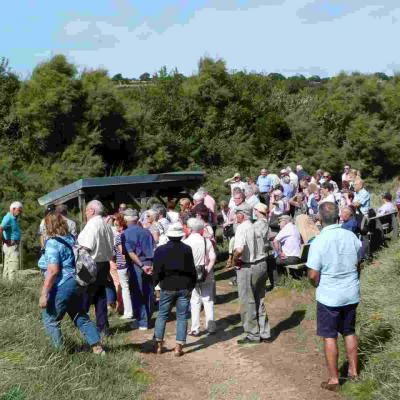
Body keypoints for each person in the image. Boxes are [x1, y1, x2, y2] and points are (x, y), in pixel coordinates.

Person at [307, 202, 361, 392]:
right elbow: (358, 261)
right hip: (350, 292)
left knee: (329, 336)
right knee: (349, 331)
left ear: (320, 219)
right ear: (338, 216)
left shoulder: (319, 241)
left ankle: (333, 379)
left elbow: (313, 274)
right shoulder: (351, 236)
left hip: (329, 295)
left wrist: (315, 284)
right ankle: (354, 372)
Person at [39, 212, 104, 354]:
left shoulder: (52, 242)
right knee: (79, 315)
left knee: (51, 319)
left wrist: (44, 294)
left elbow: (53, 270)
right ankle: (97, 348)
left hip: (62, 284)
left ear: (48, 226)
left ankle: (58, 354)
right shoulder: (70, 238)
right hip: (76, 282)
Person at [153, 222, 197, 356]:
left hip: (167, 286)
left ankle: (159, 345)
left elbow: (157, 271)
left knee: (162, 315)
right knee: (182, 317)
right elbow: (192, 270)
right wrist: (192, 285)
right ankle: (178, 347)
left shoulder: (160, 250)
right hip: (184, 286)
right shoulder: (187, 249)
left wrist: (155, 284)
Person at [232, 204, 271, 344]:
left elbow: (239, 249)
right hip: (262, 264)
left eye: (236, 213)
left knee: (247, 302)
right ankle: (265, 333)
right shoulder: (257, 225)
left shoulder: (242, 228)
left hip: (248, 267)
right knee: (259, 299)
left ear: (241, 215)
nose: (235, 216)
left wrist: (234, 260)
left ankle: (252, 335)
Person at [78, 200, 114, 336]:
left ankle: (84, 328)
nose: (85, 213)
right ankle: (103, 327)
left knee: (84, 295)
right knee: (100, 296)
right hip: (104, 263)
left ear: (91, 211)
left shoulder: (92, 224)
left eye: (86, 210)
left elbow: (86, 246)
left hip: (90, 263)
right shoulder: (106, 225)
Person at [122, 209, 155, 330]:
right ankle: (148, 318)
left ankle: (142, 321)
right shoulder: (146, 232)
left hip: (137, 265)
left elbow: (130, 253)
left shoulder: (125, 234)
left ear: (126, 219)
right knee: (149, 292)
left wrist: (141, 265)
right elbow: (153, 248)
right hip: (149, 262)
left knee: (137, 293)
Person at [184, 218, 217, 336]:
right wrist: (207, 270)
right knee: (208, 299)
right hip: (206, 273)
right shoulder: (206, 241)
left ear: (190, 229)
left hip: (191, 274)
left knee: (194, 301)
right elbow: (212, 257)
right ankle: (211, 326)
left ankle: (195, 328)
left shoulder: (186, 242)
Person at [113, 213, 133, 320]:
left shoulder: (119, 237)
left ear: (120, 226)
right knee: (131, 287)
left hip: (122, 265)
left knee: (125, 288)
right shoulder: (129, 234)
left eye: (116, 225)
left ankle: (128, 312)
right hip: (131, 264)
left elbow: (122, 252)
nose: (115, 227)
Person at [0, 201, 23, 281]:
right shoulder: (8, 217)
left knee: (7, 266)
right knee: (13, 266)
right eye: (19, 210)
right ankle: (12, 287)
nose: (20, 212)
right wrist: (4, 240)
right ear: (13, 209)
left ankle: (6, 285)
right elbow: (0, 228)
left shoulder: (13, 218)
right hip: (11, 246)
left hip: (11, 246)